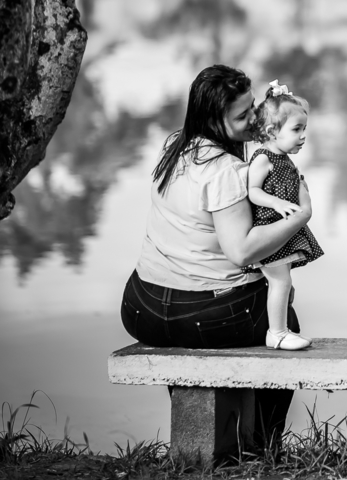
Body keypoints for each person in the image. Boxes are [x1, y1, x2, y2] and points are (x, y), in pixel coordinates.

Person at [120, 64, 312, 456]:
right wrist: (301, 217)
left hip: (142, 306)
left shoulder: (175, 145)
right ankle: (260, 445)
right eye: (242, 116)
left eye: (253, 108)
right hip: (203, 315)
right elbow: (241, 250)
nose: (254, 120)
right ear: (212, 119)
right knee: (283, 322)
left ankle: (218, 434)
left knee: (265, 299)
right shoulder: (225, 170)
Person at [242, 80, 324, 351]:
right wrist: (276, 202)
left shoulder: (284, 159)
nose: (303, 136)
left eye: (304, 129)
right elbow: (253, 191)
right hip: (269, 229)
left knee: (285, 283)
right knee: (281, 281)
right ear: (271, 131)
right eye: (296, 129)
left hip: (282, 229)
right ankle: (276, 333)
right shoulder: (263, 158)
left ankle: (283, 328)